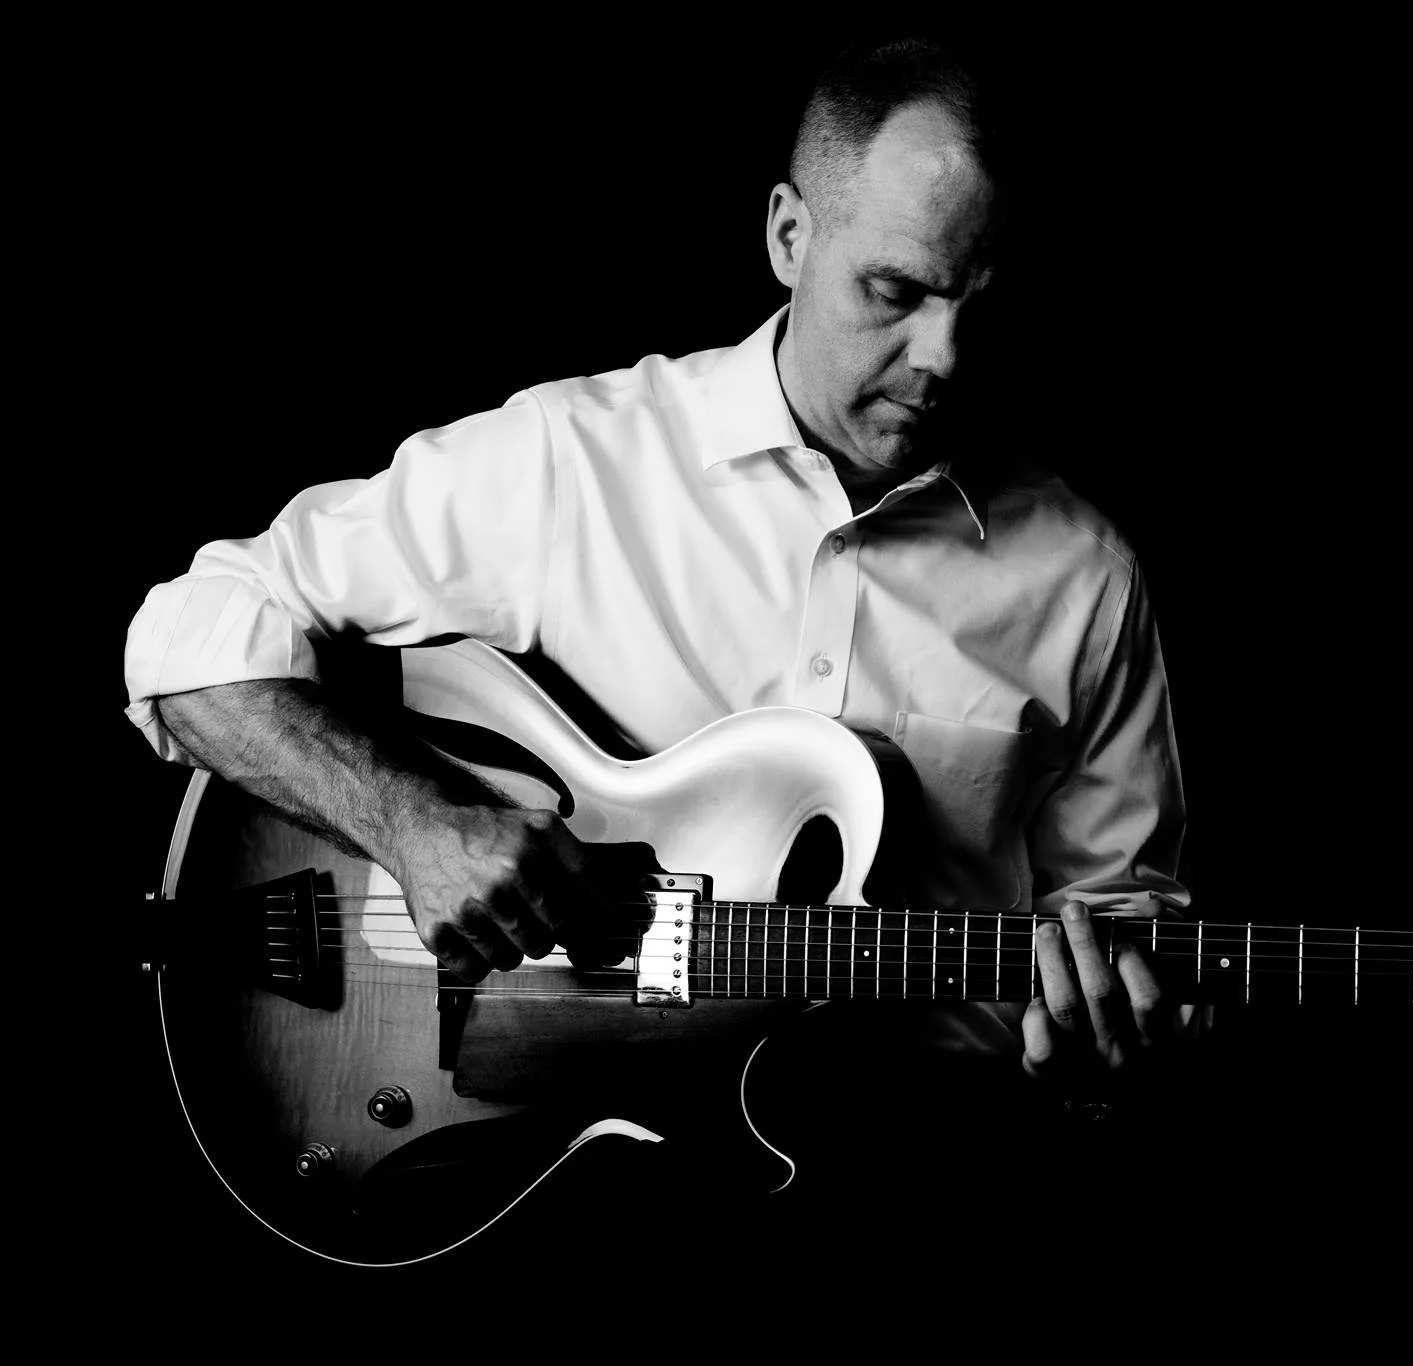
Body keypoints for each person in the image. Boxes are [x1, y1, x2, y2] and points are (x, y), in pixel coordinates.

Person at [122, 37, 1191, 1174]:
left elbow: (1119, 931)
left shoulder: (1085, 582)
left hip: (917, 1177)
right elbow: (190, 630)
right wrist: (413, 824)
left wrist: (1100, 1063)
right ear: (789, 235)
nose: (943, 355)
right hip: (556, 1195)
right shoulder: (571, 464)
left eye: (981, 300)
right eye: (895, 291)